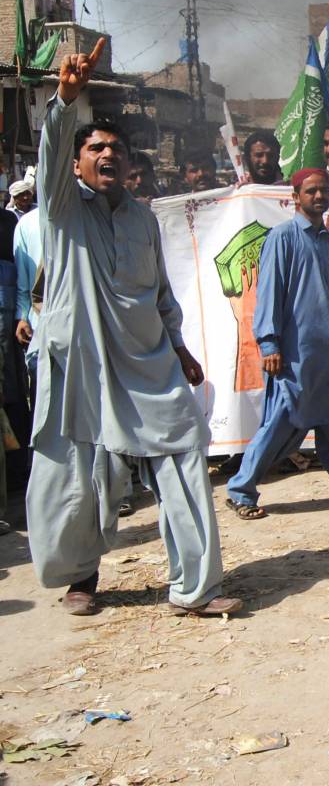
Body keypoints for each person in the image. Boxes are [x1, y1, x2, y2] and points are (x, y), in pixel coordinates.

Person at [26, 44, 240, 616]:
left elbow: (161, 294)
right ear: (76, 165)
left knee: (184, 458)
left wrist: (180, 347)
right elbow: (49, 157)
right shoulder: (64, 210)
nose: (108, 155)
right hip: (83, 369)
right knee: (81, 480)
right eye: (95, 148)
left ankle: (195, 589)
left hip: (148, 366)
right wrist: (67, 100)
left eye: (117, 148)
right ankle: (80, 580)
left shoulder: (144, 218)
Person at [224, 168, 329, 519]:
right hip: (295, 354)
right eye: (311, 191)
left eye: (324, 191)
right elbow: (269, 294)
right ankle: (241, 490)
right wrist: (269, 344)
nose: (319, 197)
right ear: (296, 197)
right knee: (282, 420)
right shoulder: (283, 237)